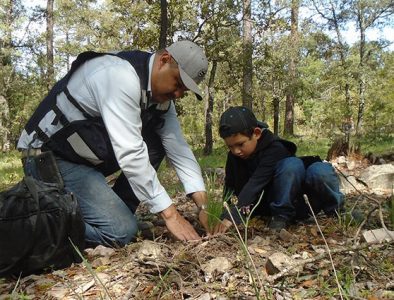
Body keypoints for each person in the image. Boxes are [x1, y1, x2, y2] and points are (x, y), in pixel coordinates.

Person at [17, 40, 210, 247]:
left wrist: (204, 207)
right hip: (48, 156)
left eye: (184, 91)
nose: (178, 95)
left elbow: (178, 149)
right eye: (178, 83)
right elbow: (131, 153)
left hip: (86, 160)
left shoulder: (161, 102)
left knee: (156, 143)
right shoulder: (120, 76)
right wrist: (171, 215)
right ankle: (27, 228)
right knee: (119, 233)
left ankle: (118, 214)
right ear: (164, 60)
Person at [213, 106, 344, 234]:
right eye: (230, 147)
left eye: (241, 144)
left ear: (257, 133)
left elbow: (256, 183)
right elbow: (230, 187)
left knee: (315, 170)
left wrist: (233, 215)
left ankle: (338, 212)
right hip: (267, 207)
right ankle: (280, 217)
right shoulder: (234, 156)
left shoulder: (275, 149)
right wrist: (226, 214)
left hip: (300, 202)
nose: (236, 151)